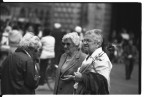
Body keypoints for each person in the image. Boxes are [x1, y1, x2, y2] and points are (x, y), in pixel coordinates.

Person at [73, 29, 112, 94]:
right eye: (83, 40)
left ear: (98, 44)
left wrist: (82, 77)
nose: (84, 43)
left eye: (88, 40)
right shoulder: (90, 55)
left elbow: (103, 82)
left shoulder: (101, 58)